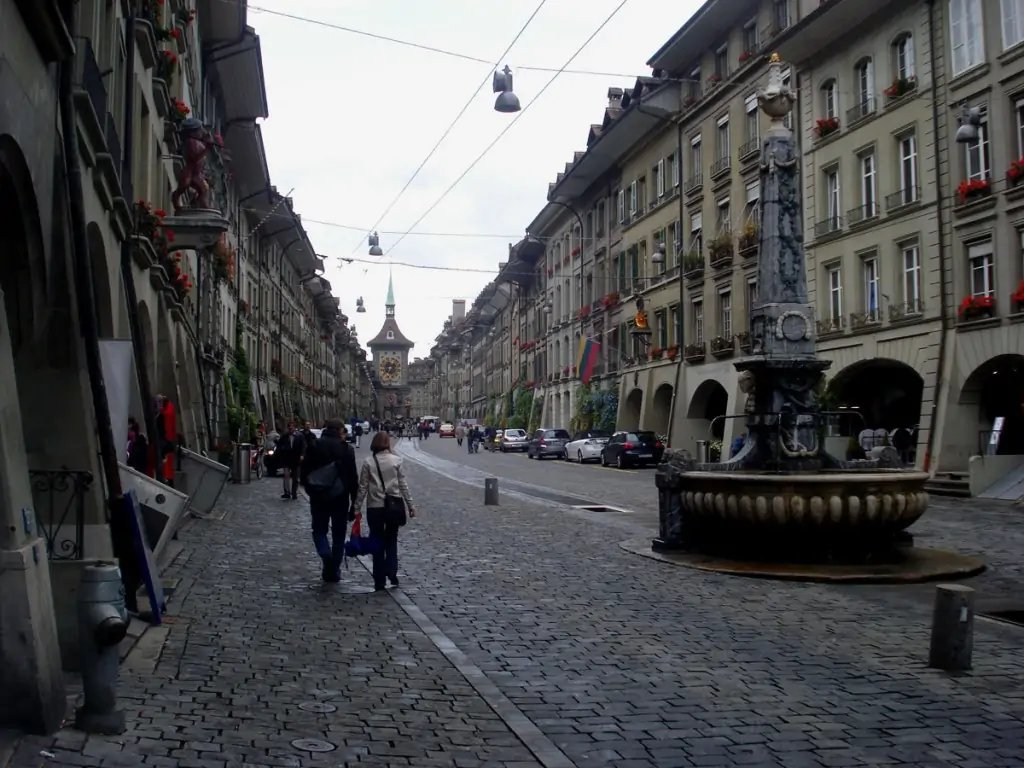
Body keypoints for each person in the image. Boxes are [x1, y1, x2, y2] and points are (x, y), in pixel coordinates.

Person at [352, 432, 417, 590]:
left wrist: (356, 508)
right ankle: (392, 572)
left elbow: (362, 488)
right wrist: (410, 505)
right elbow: (403, 485)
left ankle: (379, 578)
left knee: (377, 541)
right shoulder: (396, 460)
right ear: (388, 443)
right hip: (393, 507)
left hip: (375, 507)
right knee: (391, 540)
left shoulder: (368, 462)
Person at [300, 419, 359, 582]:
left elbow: (304, 472)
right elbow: (353, 478)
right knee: (339, 535)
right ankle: (334, 569)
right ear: (339, 431)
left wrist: (310, 488)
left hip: (318, 496)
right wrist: (354, 502)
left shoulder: (314, 445)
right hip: (340, 497)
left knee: (319, 530)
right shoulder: (347, 449)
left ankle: (326, 556)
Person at [278, 422, 305, 500]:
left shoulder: (300, 436)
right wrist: (283, 451)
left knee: (295, 478)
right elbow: (279, 446)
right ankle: (287, 492)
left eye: (292, 427)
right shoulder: (284, 436)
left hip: (296, 459)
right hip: (286, 459)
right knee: (286, 476)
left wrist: (302, 455)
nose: (290, 429)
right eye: (289, 428)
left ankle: (294, 493)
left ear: (294, 428)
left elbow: (303, 446)